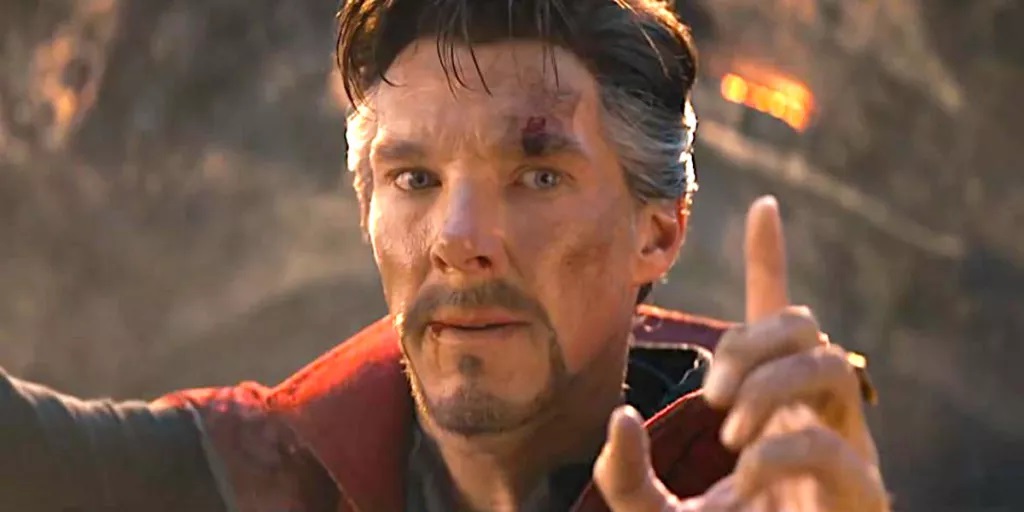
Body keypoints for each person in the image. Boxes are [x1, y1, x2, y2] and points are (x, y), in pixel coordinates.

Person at [0, 1, 889, 511]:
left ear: (657, 231)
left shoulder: (764, 479)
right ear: (367, 210)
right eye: (416, 178)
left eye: (537, 175)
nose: (458, 237)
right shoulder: (259, 474)